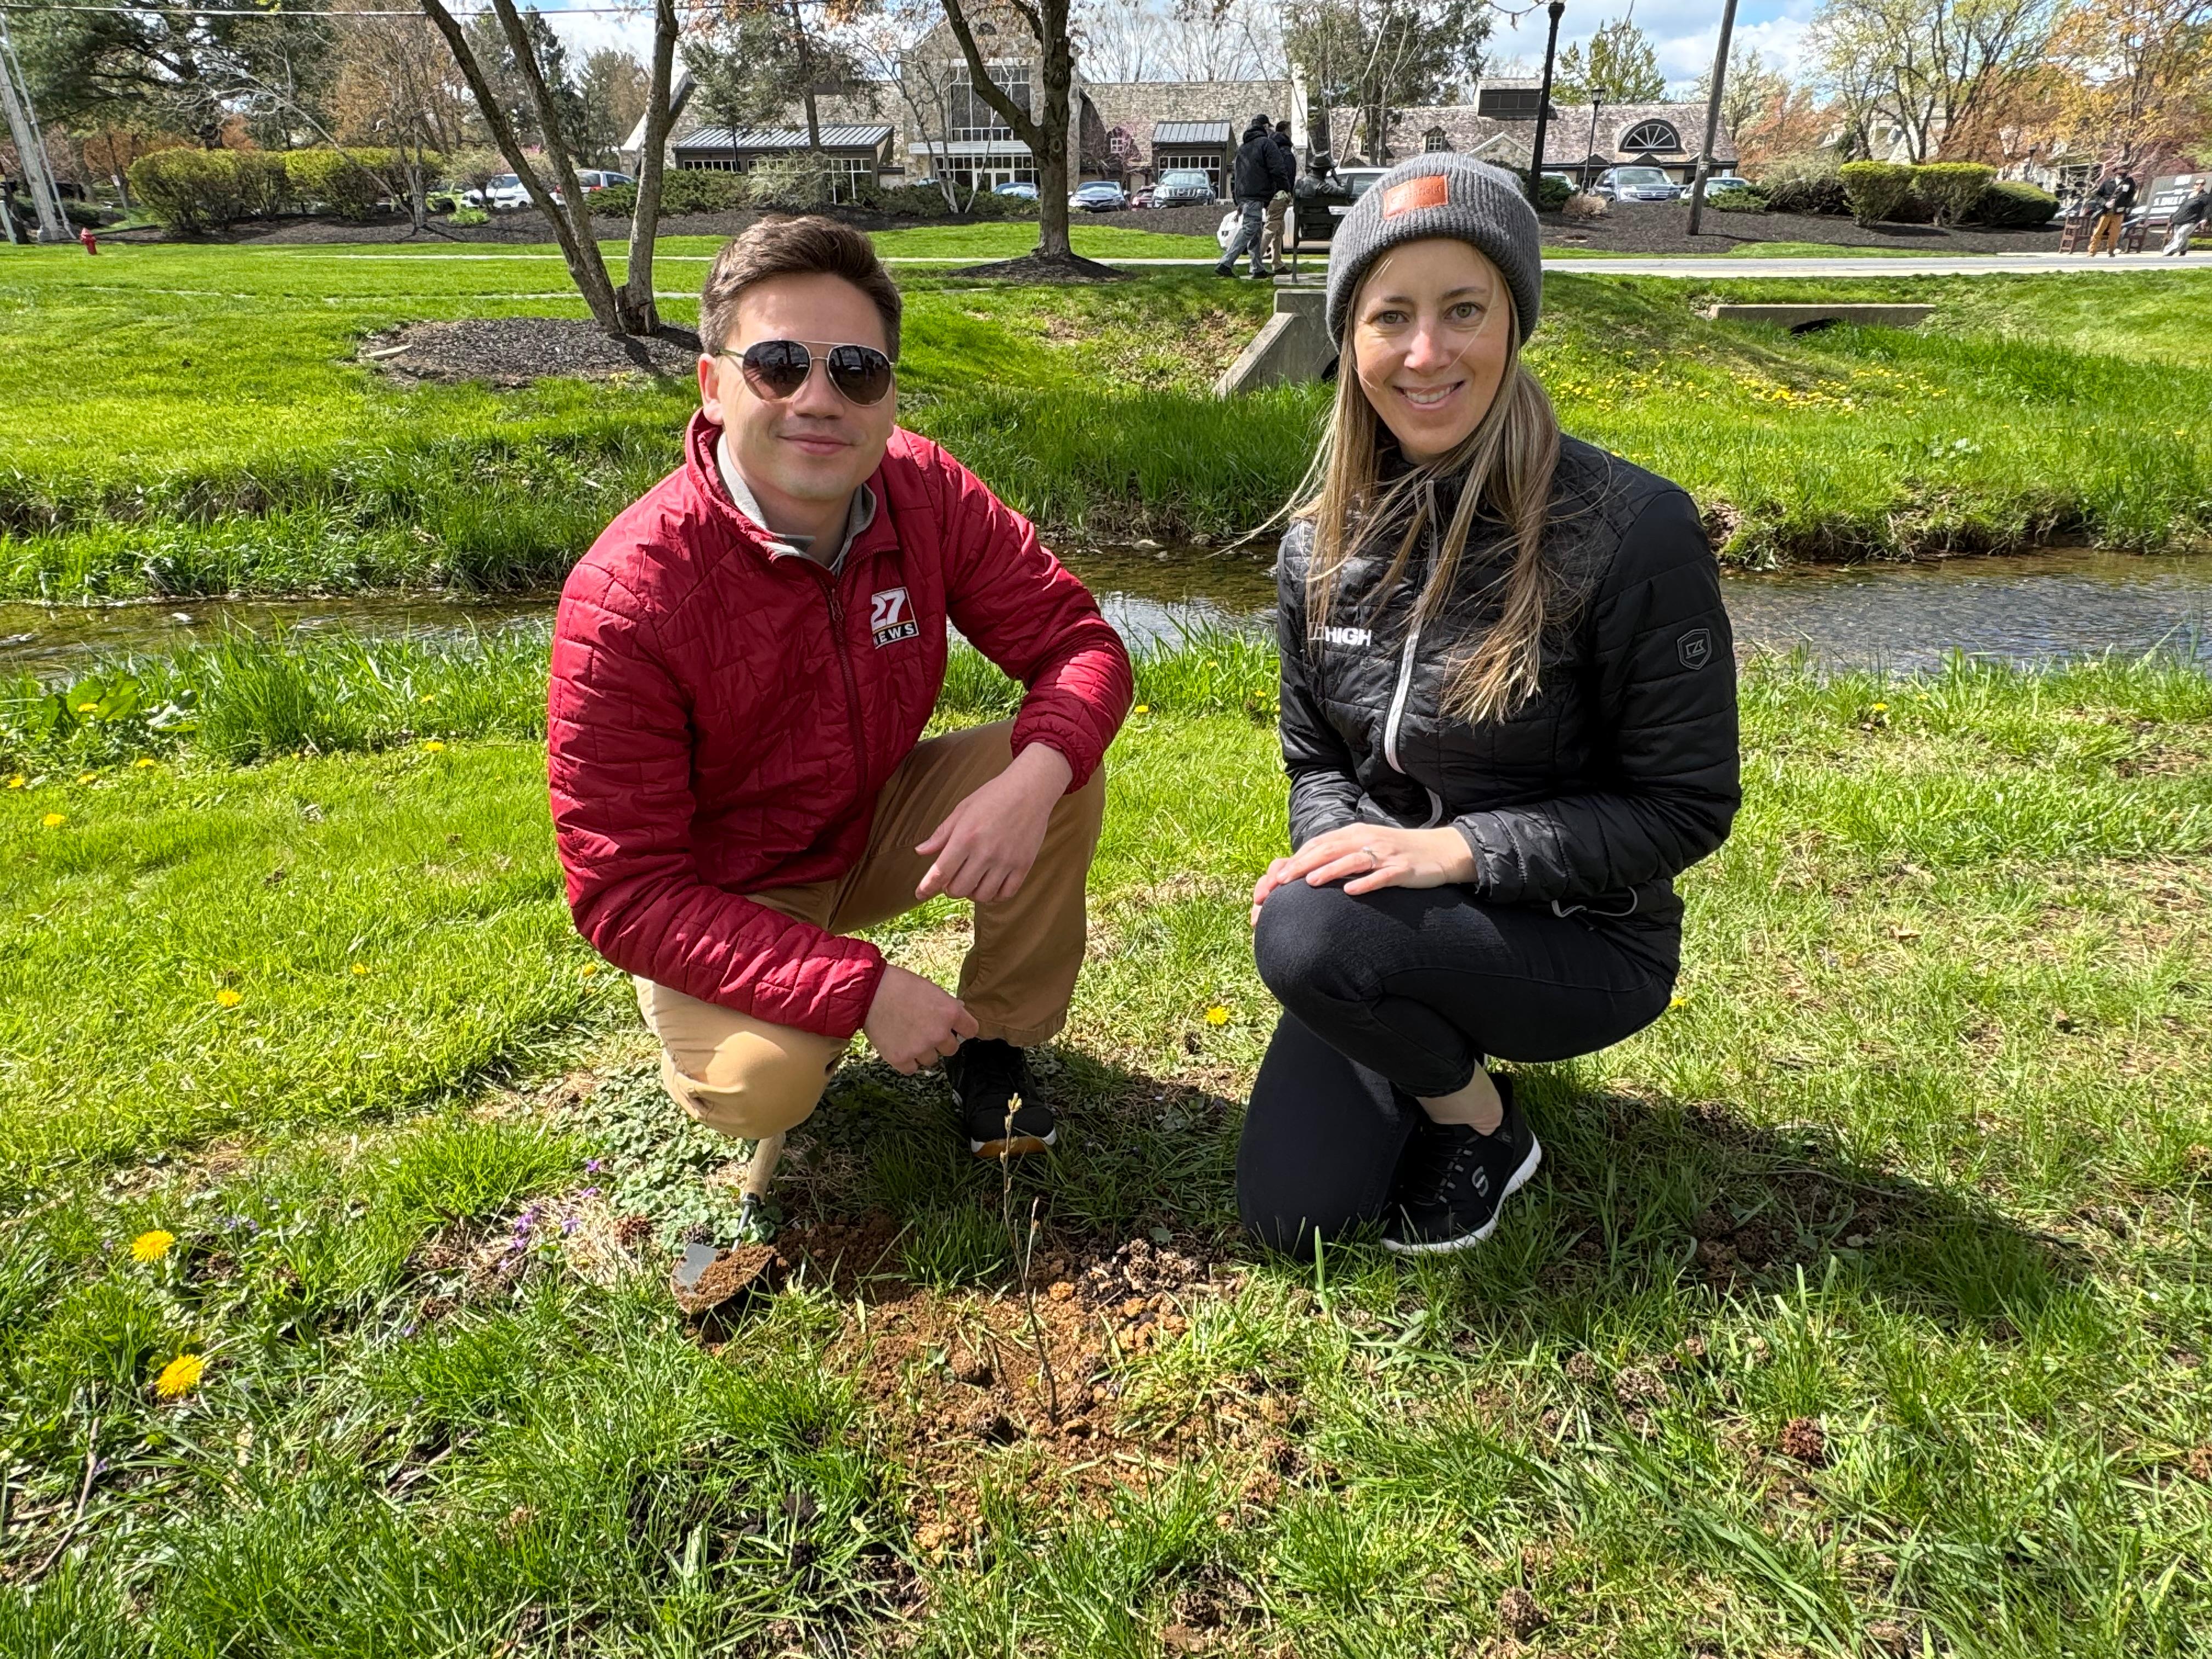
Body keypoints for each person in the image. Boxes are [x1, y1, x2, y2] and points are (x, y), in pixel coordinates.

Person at [549, 217, 1132, 1181]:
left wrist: (1032, 779)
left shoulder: (926, 492)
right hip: (725, 885)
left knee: (1059, 762)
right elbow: (624, 890)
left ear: (888, 397)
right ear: (713, 383)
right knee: (761, 1085)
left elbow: (1078, 643)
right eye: (778, 364)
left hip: (869, 821)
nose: (819, 400)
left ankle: (997, 1042)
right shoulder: (627, 596)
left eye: (855, 370)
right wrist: (858, 989)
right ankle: (748, 1010)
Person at [1238, 154, 1741, 1256]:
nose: (1426, 353)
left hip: (1585, 941)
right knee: (1292, 1216)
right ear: (1350, 337)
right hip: (1388, 921)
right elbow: (1315, 759)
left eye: (1463, 308)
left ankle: (1481, 1122)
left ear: (1514, 320)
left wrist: (1453, 853)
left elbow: (1684, 806)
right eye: (1390, 317)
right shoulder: (1315, 545)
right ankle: (1399, 1004)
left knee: (1309, 932)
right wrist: (1345, 854)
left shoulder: (1633, 529)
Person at [1217, 112, 1295, 280]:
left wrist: (1237, 198)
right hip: (1257, 193)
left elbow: (1235, 176)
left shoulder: (1242, 149)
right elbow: (1277, 169)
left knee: (1257, 232)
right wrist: (1285, 188)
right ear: (1266, 127)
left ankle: (1257, 268)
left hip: (1244, 194)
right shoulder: (1267, 144)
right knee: (1250, 228)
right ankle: (1226, 263)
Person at [1261, 120, 1297, 268]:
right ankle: (1256, 261)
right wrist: (1287, 191)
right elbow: (1286, 174)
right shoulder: (1284, 152)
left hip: (1274, 194)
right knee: (1272, 227)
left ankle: (1277, 262)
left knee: (1279, 230)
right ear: (1286, 131)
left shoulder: (1272, 149)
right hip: (1280, 195)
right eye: (1290, 130)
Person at [2085, 165, 2137, 256]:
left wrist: (2125, 204)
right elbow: (2097, 196)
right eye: (2121, 171)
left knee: (2115, 232)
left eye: (2125, 172)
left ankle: (2111, 250)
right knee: (2099, 231)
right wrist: (2105, 203)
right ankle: (2092, 251)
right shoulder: (2108, 182)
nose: (2123, 173)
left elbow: (2131, 196)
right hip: (2106, 211)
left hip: (2119, 212)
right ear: (2116, 172)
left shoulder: (2129, 183)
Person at [2163, 181, 2209, 256]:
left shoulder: (2205, 197)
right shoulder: (2188, 195)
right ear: (2194, 185)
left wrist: (2205, 218)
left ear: (2204, 186)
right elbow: (2182, 207)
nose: (2200, 185)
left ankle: (2170, 251)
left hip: (2193, 219)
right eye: (2197, 184)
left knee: (2181, 233)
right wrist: (2174, 217)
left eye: (2202, 184)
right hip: (2180, 218)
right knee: (2180, 235)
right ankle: (2183, 249)